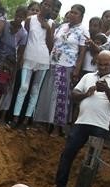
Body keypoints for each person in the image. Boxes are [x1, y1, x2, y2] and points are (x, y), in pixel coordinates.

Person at [49, 48, 110, 187]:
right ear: (96, 62)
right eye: (100, 64)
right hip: (81, 122)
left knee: (92, 161)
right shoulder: (88, 76)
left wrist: (107, 89)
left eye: (106, 65)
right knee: (67, 154)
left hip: (100, 126)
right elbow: (74, 95)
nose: (102, 67)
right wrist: (86, 93)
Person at [47, 2, 86, 135]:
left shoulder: (83, 31)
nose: (72, 14)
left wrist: (76, 70)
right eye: (71, 11)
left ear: (81, 16)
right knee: (49, 95)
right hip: (52, 63)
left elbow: (82, 52)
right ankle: (45, 124)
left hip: (67, 66)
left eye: (75, 13)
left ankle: (57, 128)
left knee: (61, 97)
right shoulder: (62, 26)